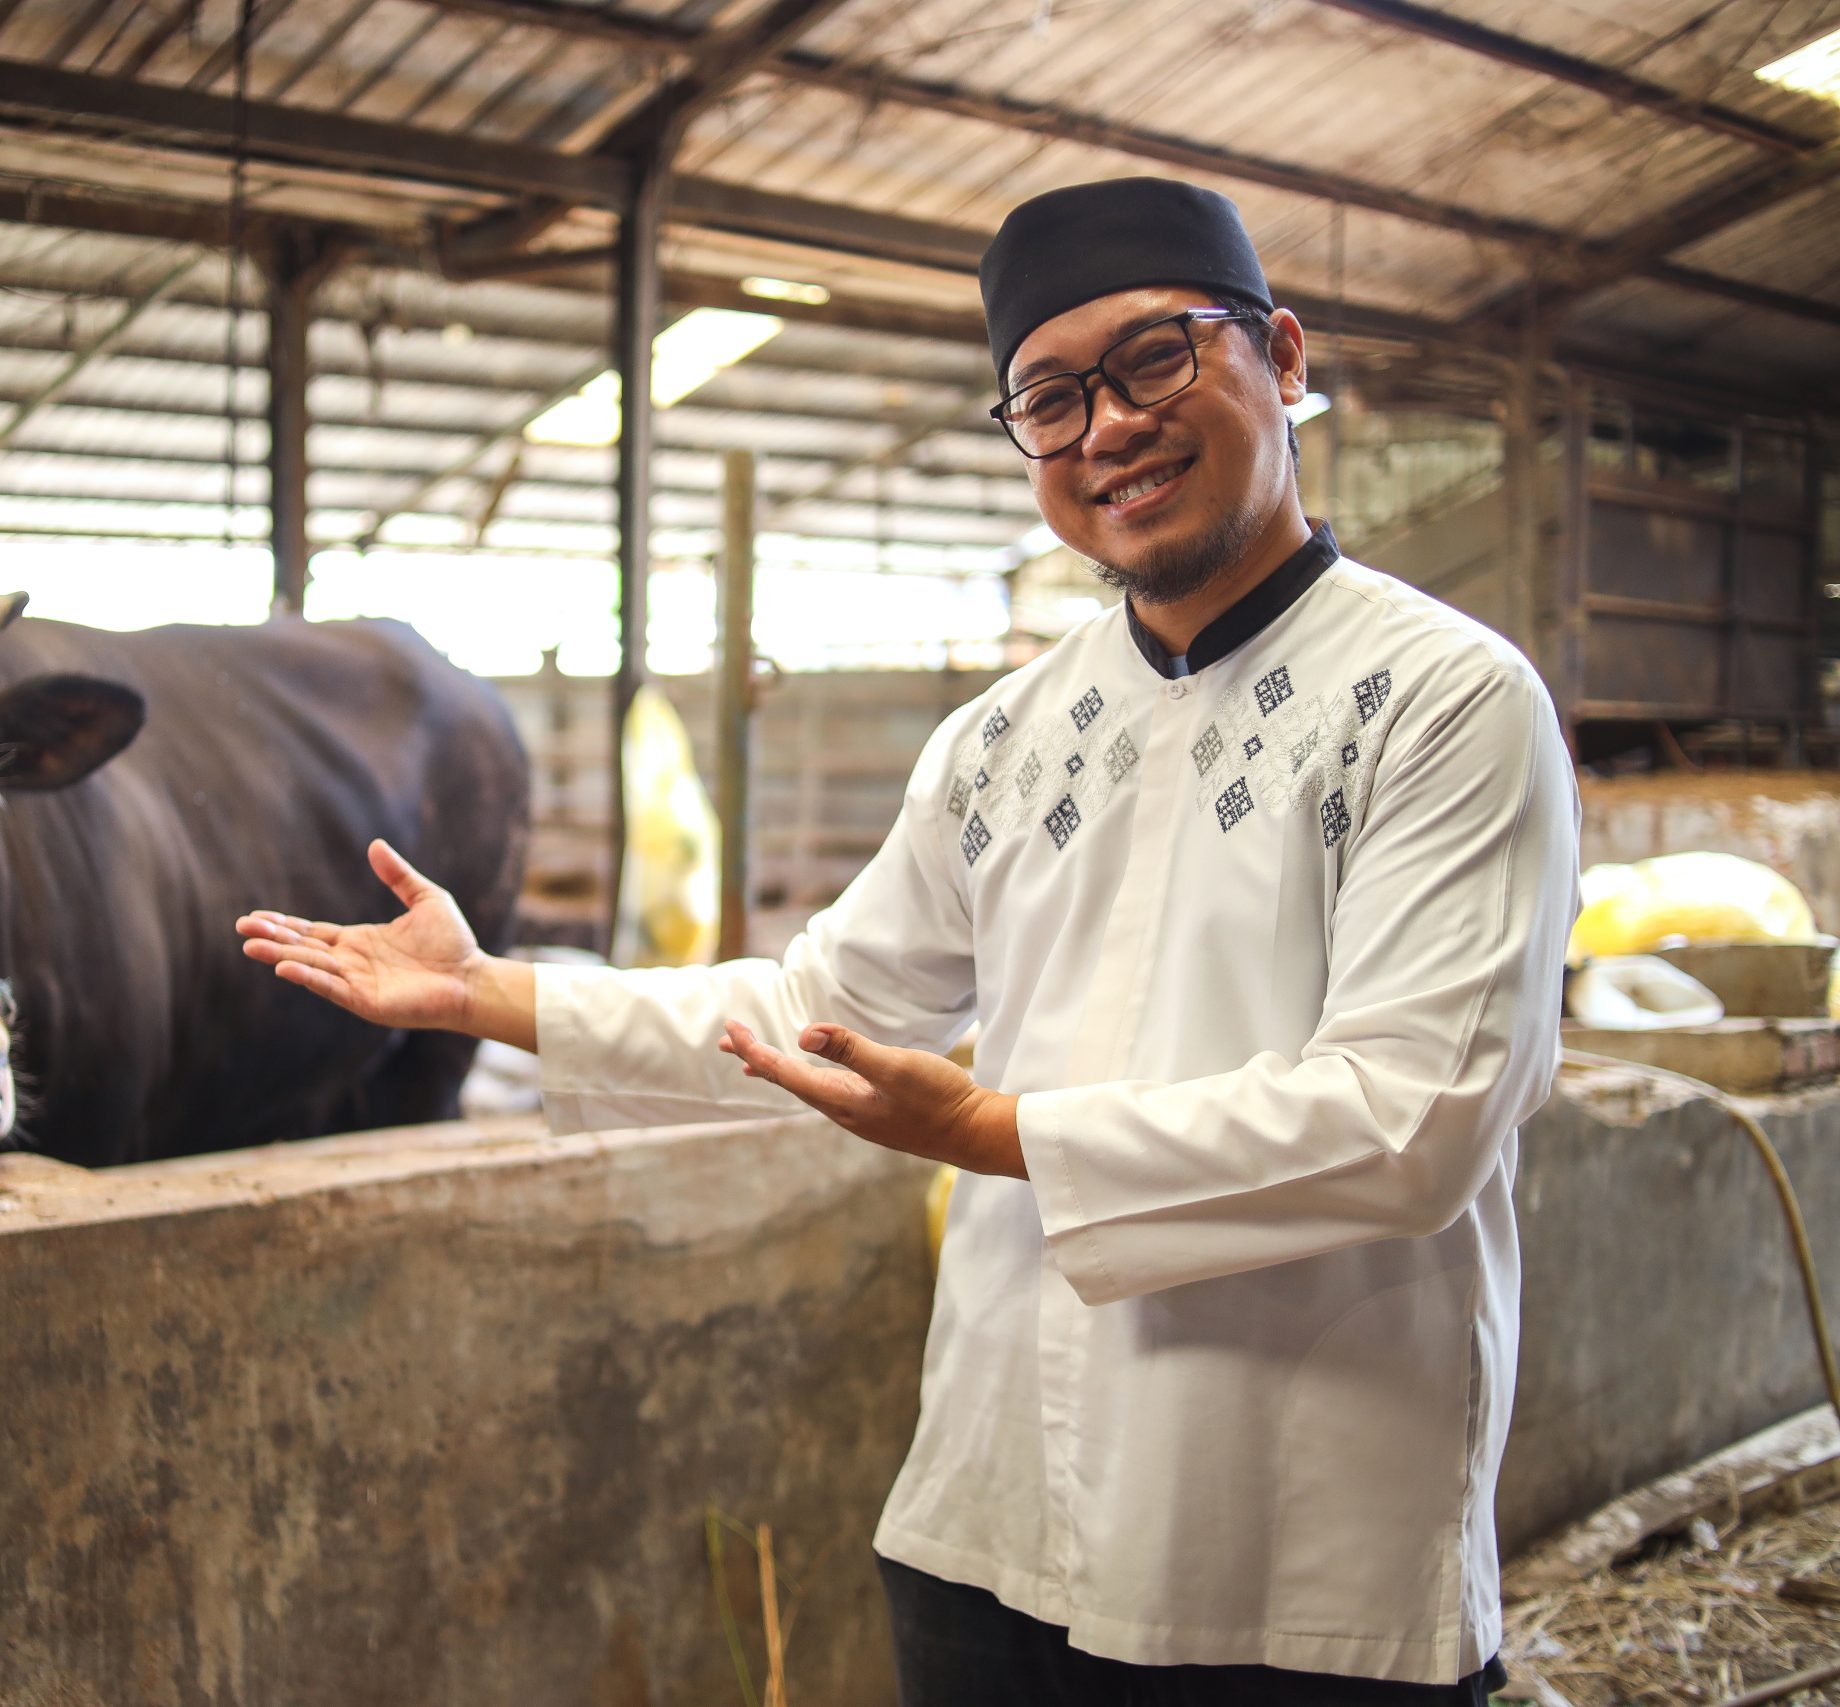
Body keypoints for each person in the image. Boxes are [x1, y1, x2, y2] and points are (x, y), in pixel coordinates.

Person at [237, 176, 1577, 1706]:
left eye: (1155, 360)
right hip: (997, 1510)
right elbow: (818, 1004)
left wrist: (1003, 1133)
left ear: (1278, 356)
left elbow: (1417, 1120)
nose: (1107, 430)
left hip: (1288, 1544)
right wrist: (497, 994)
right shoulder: (1005, 737)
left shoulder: (1448, 701)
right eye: (1049, 400)